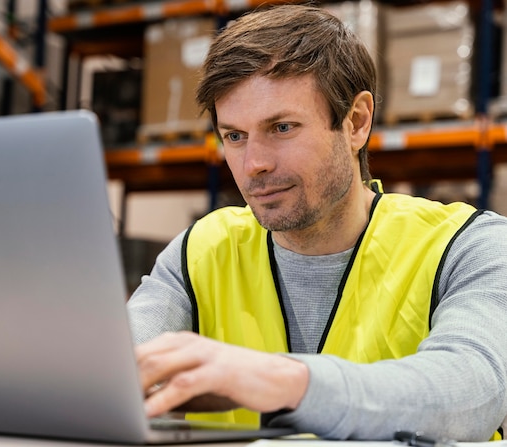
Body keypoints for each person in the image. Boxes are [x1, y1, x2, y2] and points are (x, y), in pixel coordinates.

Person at [127, 4, 507, 442]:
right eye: (235, 136)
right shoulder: (199, 251)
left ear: (356, 123)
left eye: (282, 127)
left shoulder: (467, 245)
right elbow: (120, 372)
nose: (255, 165)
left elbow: (473, 392)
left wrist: (278, 381)